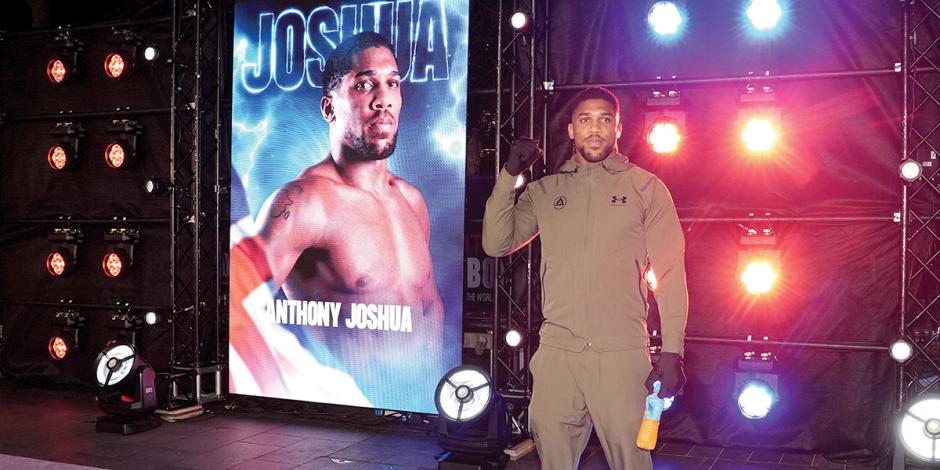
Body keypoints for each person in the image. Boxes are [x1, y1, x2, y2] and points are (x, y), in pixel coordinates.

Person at [229, 32, 443, 403]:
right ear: (329, 108)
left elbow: (429, 308)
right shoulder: (306, 202)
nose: (384, 100)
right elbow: (235, 309)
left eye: (392, 83)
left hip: (424, 408)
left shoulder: (412, 201)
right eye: (364, 85)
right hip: (350, 416)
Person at [482, 87, 688, 470]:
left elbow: (672, 274)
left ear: (618, 128)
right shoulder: (545, 191)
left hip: (621, 354)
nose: (595, 128)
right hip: (559, 354)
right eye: (585, 120)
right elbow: (496, 243)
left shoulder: (646, 188)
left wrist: (672, 350)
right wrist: (510, 174)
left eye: (605, 120)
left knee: (632, 461)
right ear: (571, 130)